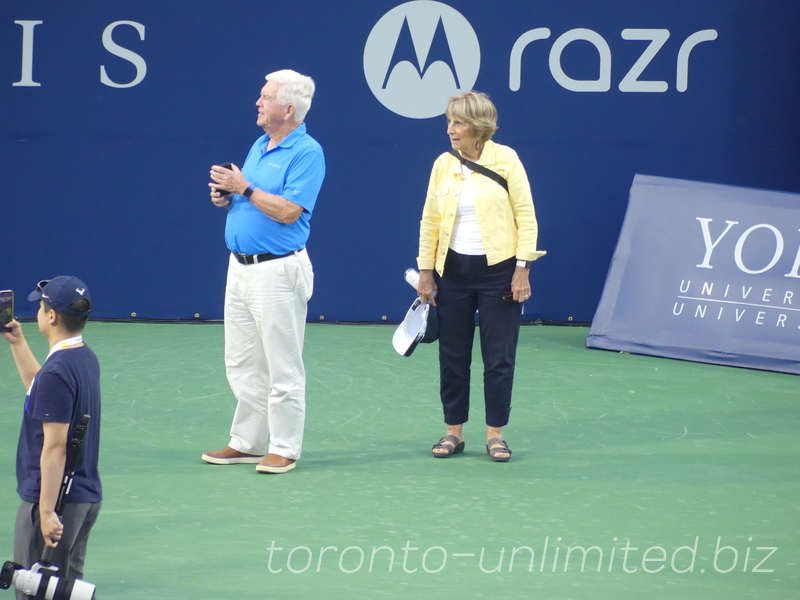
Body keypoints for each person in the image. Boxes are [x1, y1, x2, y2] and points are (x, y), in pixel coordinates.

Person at [202, 69, 326, 474]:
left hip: (278, 273)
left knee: (281, 365)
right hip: (238, 269)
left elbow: (289, 212)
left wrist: (245, 189)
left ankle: (285, 447)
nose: (258, 102)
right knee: (241, 362)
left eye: (265, 97)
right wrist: (229, 199)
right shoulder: (260, 143)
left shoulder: (308, 153)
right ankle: (248, 442)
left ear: (288, 109)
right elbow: (252, 201)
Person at [416, 91, 546, 462]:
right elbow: (430, 220)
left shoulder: (506, 159)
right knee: (452, 355)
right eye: (449, 121)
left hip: (500, 273)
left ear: (479, 126)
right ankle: (453, 432)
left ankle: (495, 435)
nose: (450, 130)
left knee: (498, 358)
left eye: (458, 123)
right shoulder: (443, 164)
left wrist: (522, 269)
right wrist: (427, 271)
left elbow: (526, 216)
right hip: (451, 273)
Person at [2, 276, 102, 597]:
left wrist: (46, 513)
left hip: (54, 503)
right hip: (83, 498)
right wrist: (18, 343)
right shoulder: (82, 358)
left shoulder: (57, 372)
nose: (39, 311)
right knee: (64, 590)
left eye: (42, 306)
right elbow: (41, 391)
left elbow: (55, 448)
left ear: (52, 316)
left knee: (35, 591)